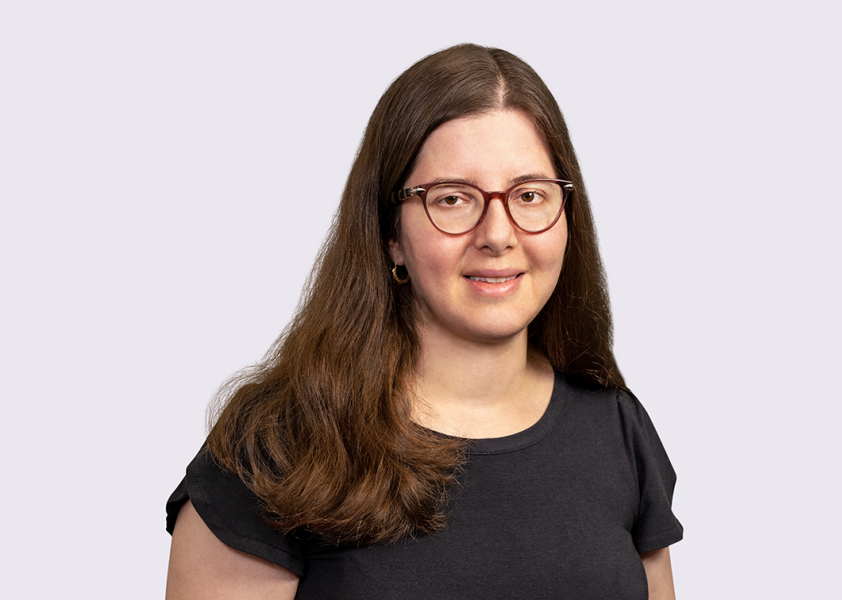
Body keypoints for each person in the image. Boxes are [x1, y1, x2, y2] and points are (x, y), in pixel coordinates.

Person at [165, 43, 683, 599]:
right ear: (390, 233)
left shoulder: (616, 428)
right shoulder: (277, 444)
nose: (498, 235)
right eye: (453, 199)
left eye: (530, 195)